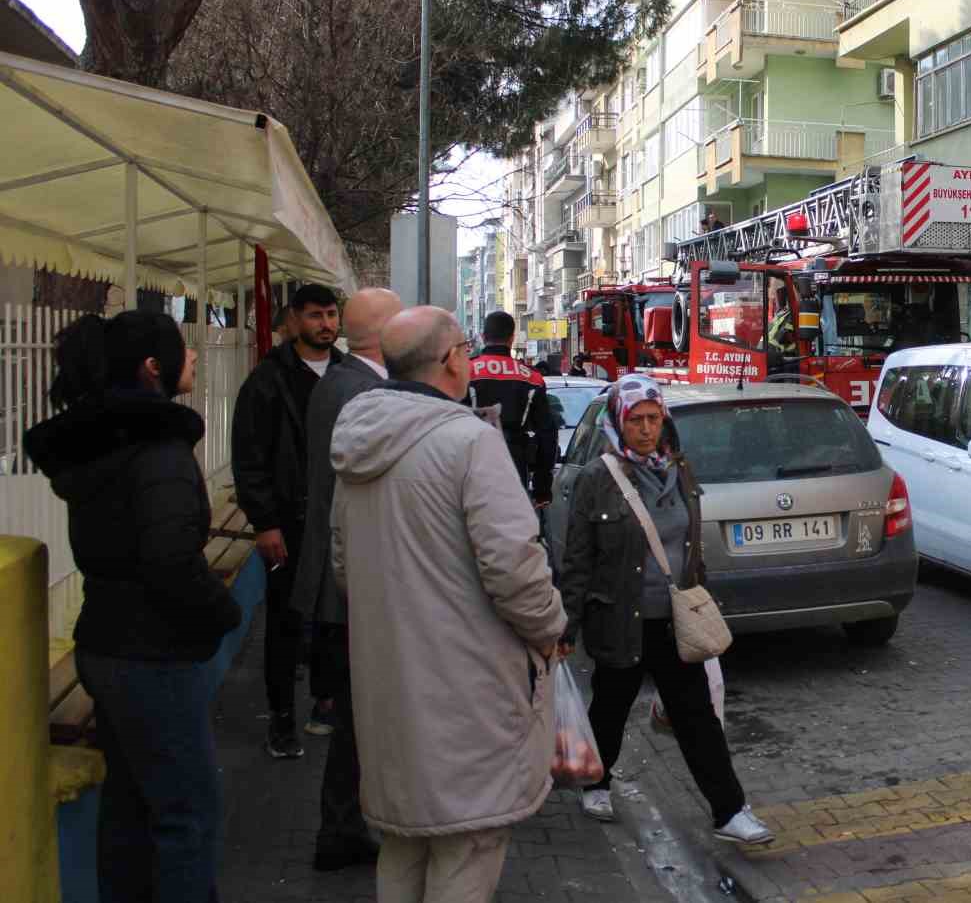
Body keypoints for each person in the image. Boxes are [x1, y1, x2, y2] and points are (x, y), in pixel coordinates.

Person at [330, 307, 567, 903]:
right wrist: (551, 629)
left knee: (404, 844)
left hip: (388, 690)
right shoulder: (470, 443)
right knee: (467, 848)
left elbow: (342, 563)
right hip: (469, 693)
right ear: (451, 360)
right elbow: (516, 569)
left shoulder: (356, 446)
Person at [24, 311, 242, 903]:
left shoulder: (103, 447)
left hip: (106, 641)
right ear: (153, 368)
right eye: (182, 350)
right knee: (184, 815)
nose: (193, 357)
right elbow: (171, 557)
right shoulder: (158, 449)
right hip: (153, 653)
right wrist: (223, 613)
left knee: (128, 807)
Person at [558, 374, 774, 844]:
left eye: (654, 418)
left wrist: (701, 598)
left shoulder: (680, 470)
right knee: (611, 707)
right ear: (619, 421)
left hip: (675, 622)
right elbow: (577, 559)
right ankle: (596, 781)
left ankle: (730, 811)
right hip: (620, 618)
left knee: (697, 716)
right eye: (636, 420)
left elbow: (691, 546)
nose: (645, 429)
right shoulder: (599, 477)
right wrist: (565, 626)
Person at [291, 288, 402, 871]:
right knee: (361, 718)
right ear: (385, 332)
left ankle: (344, 826)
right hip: (351, 581)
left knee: (356, 718)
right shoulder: (364, 390)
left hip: (338, 577)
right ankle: (342, 828)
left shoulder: (338, 381)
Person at [232, 282, 342, 759]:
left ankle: (326, 702)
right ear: (294, 320)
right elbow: (249, 456)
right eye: (315, 315)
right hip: (291, 521)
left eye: (332, 314)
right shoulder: (268, 379)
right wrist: (265, 522)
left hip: (339, 519)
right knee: (286, 621)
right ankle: (281, 719)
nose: (326, 324)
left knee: (335, 618)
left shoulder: (347, 373)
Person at [467, 311, 556, 506]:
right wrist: (542, 488)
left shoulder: (467, 371)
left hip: (471, 463)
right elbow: (546, 433)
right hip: (515, 465)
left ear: (483, 337)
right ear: (512, 338)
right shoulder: (531, 377)